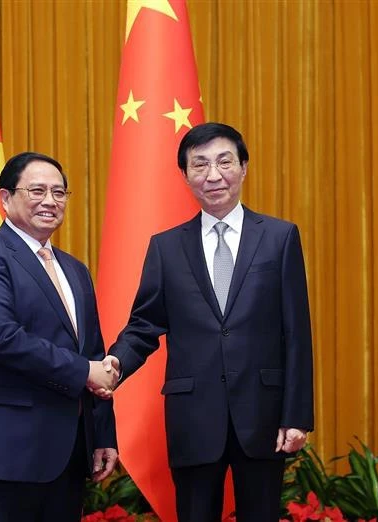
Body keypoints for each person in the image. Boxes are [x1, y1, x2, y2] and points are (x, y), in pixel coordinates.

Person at [103, 123, 314, 521]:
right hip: (194, 416)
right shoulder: (165, 247)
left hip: (263, 415)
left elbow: (297, 332)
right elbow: (144, 325)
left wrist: (297, 415)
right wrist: (114, 364)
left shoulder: (279, 238)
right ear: (184, 175)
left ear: (244, 167)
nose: (212, 175)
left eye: (223, 162)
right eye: (199, 165)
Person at [0, 152, 118, 522]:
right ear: (5, 198)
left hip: (68, 454)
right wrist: (84, 371)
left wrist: (102, 434)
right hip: (4, 455)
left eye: (59, 192)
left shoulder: (75, 270)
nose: (50, 201)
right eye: (37, 190)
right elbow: (0, 337)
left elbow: (92, 353)